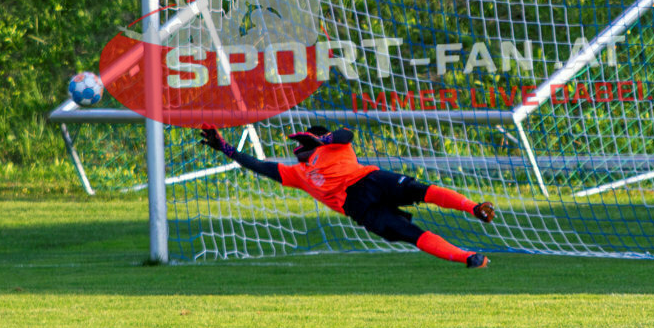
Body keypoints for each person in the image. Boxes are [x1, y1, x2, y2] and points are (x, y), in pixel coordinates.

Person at [200, 124, 496, 268]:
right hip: (358, 208)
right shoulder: (297, 173)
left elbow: (346, 133)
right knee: (411, 234)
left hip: (370, 180)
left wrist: (321, 139)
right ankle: (468, 257)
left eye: (300, 142)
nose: (295, 148)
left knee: (421, 191)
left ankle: (474, 208)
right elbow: (259, 165)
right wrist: (224, 147)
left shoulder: (334, 146)